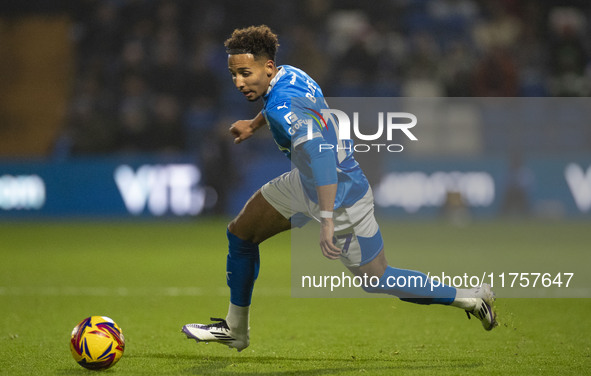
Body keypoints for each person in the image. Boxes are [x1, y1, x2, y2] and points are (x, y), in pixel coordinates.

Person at [182, 25, 497, 352]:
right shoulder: (290, 74)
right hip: (305, 182)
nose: (238, 82)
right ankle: (236, 329)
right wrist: (253, 124)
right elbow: (282, 110)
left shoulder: (281, 105)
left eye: (245, 73)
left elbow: (320, 157)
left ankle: (472, 299)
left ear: (268, 68)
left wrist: (328, 219)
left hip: (340, 193)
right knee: (241, 232)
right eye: (234, 74)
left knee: (378, 279)